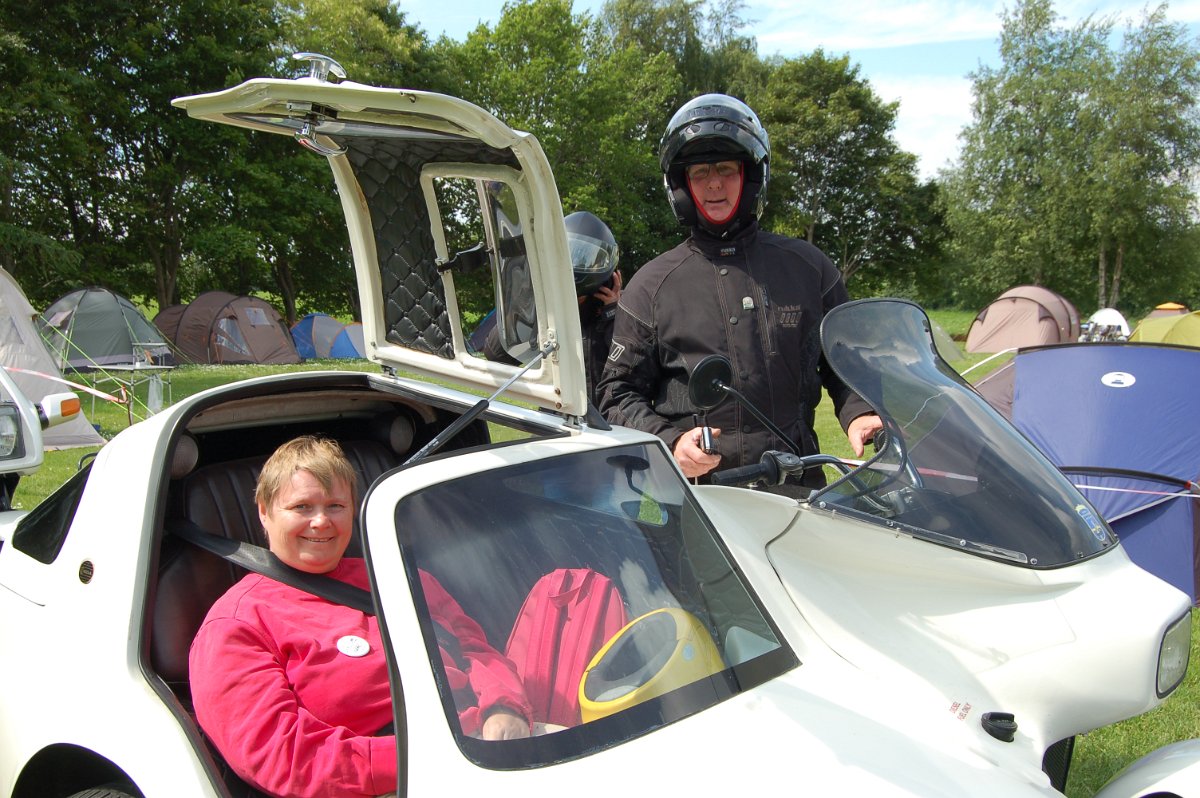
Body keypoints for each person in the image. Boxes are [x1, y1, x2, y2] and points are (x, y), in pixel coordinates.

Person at [189, 436, 531, 798]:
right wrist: (429, 756)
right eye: (302, 506)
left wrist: (505, 708)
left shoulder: (400, 576)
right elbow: (283, 758)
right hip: (398, 781)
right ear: (264, 510)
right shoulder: (237, 623)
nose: (321, 521)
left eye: (335, 505)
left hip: (491, 753)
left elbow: (475, 649)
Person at [596, 94, 882, 489]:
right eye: (700, 173)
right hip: (699, 498)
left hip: (798, 487)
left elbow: (847, 361)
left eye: (727, 169)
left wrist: (861, 410)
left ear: (750, 177)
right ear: (682, 186)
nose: (714, 183)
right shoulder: (652, 286)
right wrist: (671, 441)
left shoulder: (808, 268)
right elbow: (615, 393)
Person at [483, 210, 622, 406]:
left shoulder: (617, 314)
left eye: (588, 258)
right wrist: (528, 302)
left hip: (608, 424)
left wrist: (613, 314)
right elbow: (496, 355)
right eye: (570, 254)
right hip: (556, 416)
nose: (578, 263)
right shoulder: (547, 314)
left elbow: (631, 366)